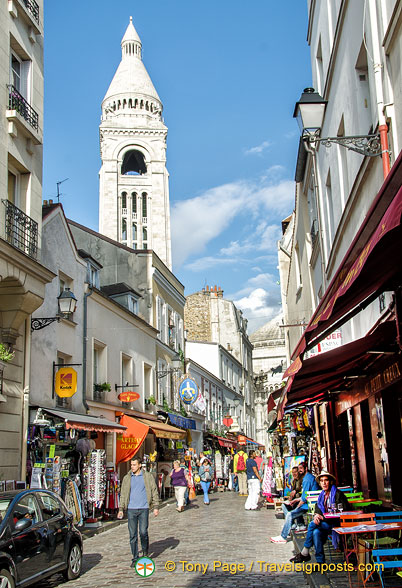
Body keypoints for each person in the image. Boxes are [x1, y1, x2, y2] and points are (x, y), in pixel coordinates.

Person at [290, 470, 350, 563]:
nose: (324, 483)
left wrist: (323, 518)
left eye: (326, 480)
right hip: (325, 524)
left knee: (312, 525)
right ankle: (320, 562)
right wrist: (316, 515)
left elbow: (343, 512)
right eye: (321, 481)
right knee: (316, 532)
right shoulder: (322, 495)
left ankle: (305, 552)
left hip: (336, 524)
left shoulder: (338, 494)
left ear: (330, 482)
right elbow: (318, 506)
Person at [118, 457, 159, 567]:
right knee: (132, 535)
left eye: (134, 465)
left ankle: (145, 553)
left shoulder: (147, 477)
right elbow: (123, 494)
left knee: (143, 532)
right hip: (131, 509)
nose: (132, 467)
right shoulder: (127, 478)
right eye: (131, 465)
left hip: (144, 508)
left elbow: (154, 491)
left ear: (140, 465)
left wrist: (156, 506)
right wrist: (121, 509)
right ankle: (135, 558)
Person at [270, 461, 319, 543]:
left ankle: (283, 536)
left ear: (305, 469)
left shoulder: (307, 479)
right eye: (298, 468)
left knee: (290, 514)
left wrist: (297, 507)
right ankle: (289, 526)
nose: (299, 470)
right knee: (287, 507)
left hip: (310, 505)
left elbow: (304, 499)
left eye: (301, 468)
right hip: (309, 502)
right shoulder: (307, 478)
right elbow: (305, 496)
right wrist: (295, 501)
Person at [281, 465, 305, 531]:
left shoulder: (302, 480)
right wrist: (290, 498)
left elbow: (300, 490)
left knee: (295, 505)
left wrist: (295, 491)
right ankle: (291, 523)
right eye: (293, 472)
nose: (294, 474)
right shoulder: (294, 481)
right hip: (295, 500)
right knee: (284, 506)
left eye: (295, 472)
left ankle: (300, 524)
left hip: (300, 500)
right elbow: (292, 492)